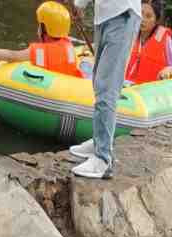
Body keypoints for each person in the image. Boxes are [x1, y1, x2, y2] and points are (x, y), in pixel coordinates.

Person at [62, 0, 140, 179]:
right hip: (105, 16)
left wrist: (79, 4)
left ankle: (103, 159)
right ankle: (99, 141)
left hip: (122, 14)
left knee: (107, 87)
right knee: (99, 82)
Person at [0, 1, 90, 75]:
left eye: (39, 24)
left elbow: (11, 55)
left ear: (44, 29)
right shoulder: (68, 45)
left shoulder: (40, 52)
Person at [124, 0, 172, 83]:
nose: (143, 19)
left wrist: (167, 71)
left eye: (148, 16)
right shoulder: (131, 34)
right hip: (128, 87)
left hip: (149, 90)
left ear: (156, 21)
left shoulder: (164, 38)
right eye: (141, 13)